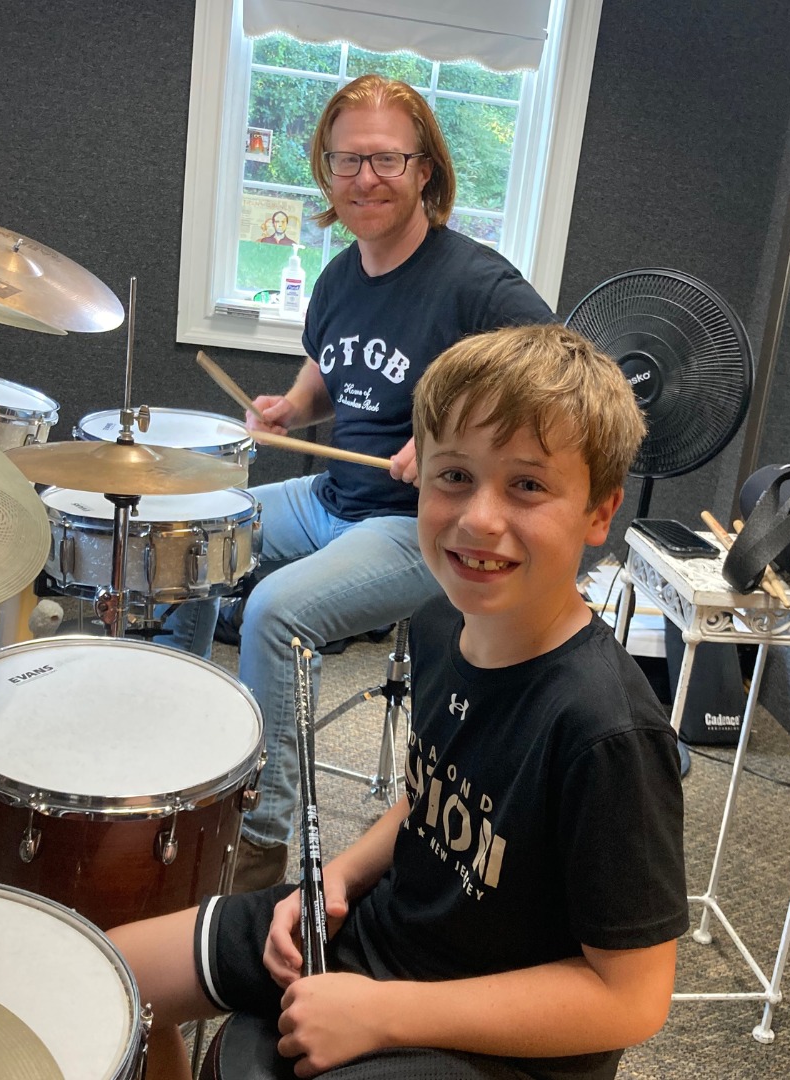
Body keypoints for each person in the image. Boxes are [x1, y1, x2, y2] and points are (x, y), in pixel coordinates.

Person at [107, 322, 689, 1080]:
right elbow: (429, 796)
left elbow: (630, 1000)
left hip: (492, 1034)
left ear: (600, 513)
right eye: (454, 476)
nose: (480, 517)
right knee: (112, 973)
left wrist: (382, 1015)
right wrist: (337, 877)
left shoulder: (606, 732)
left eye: (528, 485)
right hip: (387, 934)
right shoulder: (447, 620)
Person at [171, 72, 555, 890]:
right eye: (347, 162)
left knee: (273, 613)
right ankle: (186, 747)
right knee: (194, 524)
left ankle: (259, 845)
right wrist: (292, 407)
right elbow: (327, 374)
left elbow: (559, 372)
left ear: (425, 169)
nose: (365, 179)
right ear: (325, 172)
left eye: (385, 159)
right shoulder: (341, 277)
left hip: (419, 527)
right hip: (329, 502)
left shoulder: (476, 283)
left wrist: (451, 445)